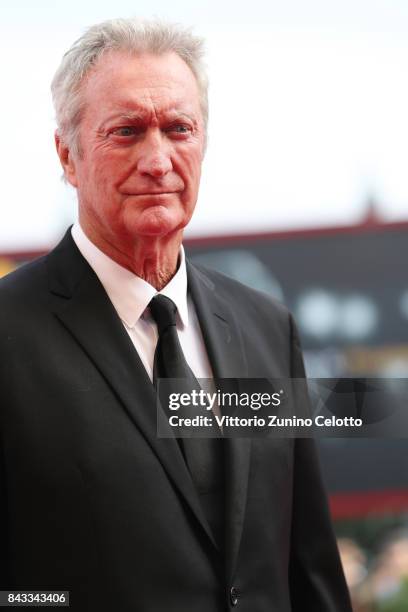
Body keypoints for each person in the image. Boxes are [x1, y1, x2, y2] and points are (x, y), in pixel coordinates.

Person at [0, 17, 352, 612]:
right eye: (128, 131)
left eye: (178, 129)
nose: (158, 160)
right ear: (68, 155)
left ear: (204, 143)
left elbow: (307, 565)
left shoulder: (266, 328)